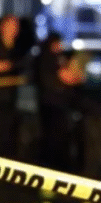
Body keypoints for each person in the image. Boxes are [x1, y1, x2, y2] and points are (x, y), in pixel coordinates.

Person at [0, 14, 33, 158]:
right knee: (1, 131)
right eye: (11, 25)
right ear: (2, 27)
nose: (14, 29)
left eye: (16, 26)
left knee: (13, 133)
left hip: (14, 96)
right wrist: (11, 65)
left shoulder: (18, 46)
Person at [34, 32, 77, 170]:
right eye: (58, 43)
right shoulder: (48, 59)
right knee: (53, 139)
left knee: (58, 139)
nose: (60, 46)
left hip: (57, 105)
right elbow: (68, 77)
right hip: (52, 105)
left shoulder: (57, 57)